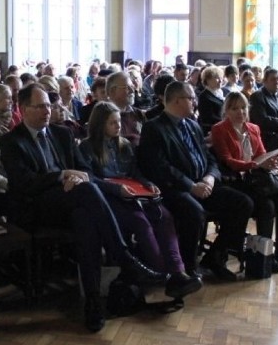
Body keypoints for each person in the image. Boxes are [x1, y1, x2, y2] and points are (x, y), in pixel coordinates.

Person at [0, 84, 162, 333]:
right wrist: (62, 175)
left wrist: (88, 181)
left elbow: (85, 171)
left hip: (72, 202)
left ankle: (93, 303)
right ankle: (124, 257)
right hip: (34, 207)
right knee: (85, 196)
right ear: (23, 109)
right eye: (40, 106)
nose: (47, 110)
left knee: (85, 219)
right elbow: (24, 183)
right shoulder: (11, 140)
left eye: (48, 105)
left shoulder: (61, 134)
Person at [80, 102, 202, 299]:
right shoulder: (87, 147)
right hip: (110, 196)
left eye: (119, 121)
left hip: (133, 191)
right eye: (112, 123)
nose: (118, 126)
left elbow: (135, 172)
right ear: (100, 124)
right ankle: (163, 272)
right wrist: (117, 189)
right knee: (140, 222)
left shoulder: (124, 145)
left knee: (164, 216)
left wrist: (147, 184)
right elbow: (91, 179)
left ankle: (178, 271)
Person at [138, 81, 254, 282]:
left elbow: (209, 158)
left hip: (204, 184)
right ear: (176, 100)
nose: (195, 102)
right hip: (175, 189)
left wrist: (210, 177)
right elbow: (160, 167)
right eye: (191, 98)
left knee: (244, 203)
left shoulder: (192, 125)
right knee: (194, 212)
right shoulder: (154, 128)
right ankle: (188, 269)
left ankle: (215, 257)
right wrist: (191, 186)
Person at [210, 92, 278, 273]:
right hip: (236, 180)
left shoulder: (253, 128)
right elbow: (227, 160)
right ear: (226, 111)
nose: (240, 112)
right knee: (267, 206)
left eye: (243, 108)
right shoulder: (220, 129)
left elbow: (262, 153)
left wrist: (271, 162)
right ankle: (265, 255)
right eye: (234, 108)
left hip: (256, 179)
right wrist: (255, 164)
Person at [197, 65, 225, 134]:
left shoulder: (220, 92)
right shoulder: (204, 96)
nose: (220, 80)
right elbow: (208, 118)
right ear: (207, 80)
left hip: (222, 127)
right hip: (212, 131)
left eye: (221, 78)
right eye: (217, 78)